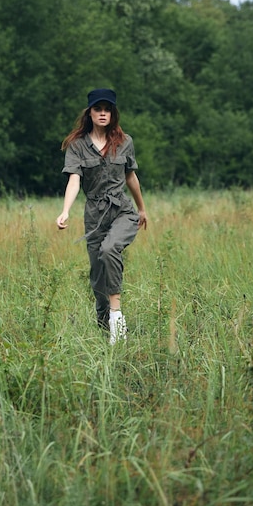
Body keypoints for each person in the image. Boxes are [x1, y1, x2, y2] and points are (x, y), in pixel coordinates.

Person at [56, 88, 147, 344]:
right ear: (90, 113)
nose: (103, 113)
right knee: (98, 280)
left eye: (107, 109)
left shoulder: (124, 141)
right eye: (98, 109)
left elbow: (131, 177)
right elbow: (74, 180)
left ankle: (117, 319)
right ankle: (105, 333)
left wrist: (141, 209)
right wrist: (65, 211)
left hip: (122, 211)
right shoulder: (77, 145)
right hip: (94, 216)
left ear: (113, 113)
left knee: (110, 250)